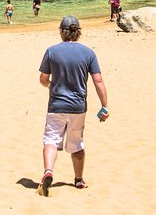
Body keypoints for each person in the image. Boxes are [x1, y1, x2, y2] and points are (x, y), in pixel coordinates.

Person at [37, 16, 109, 196]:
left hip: (56, 105)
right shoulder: (88, 53)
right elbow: (98, 80)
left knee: (51, 139)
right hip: (78, 107)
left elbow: (43, 79)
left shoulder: (52, 51)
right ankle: (78, 180)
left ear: (62, 31)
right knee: (76, 143)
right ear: (78, 32)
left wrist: (50, 85)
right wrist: (104, 106)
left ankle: (48, 171)